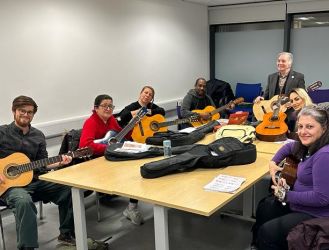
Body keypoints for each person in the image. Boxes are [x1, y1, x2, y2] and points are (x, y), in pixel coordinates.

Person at [0, 96, 75, 250]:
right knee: (23, 201)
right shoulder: (2, 132)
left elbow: (43, 163)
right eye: (22, 111)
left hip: (34, 181)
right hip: (8, 187)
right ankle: (27, 247)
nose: (26, 115)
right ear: (14, 111)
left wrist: (61, 161)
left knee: (68, 188)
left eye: (30, 112)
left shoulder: (38, 135)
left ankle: (67, 234)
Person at [251, 105, 329, 250]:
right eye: (300, 126)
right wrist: (273, 162)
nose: (303, 132)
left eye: (310, 127)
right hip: (299, 204)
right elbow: (288, 147)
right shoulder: (308, 144)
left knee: (268, 232)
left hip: (316, 214)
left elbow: (322, 198)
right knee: (265, 207)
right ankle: (257, 245)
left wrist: (287, 195)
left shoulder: (324, 155)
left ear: (323, 129)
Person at [79, 94, 144, 225]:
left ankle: (131, 208)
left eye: (111, 106)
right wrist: (108, 148)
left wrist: (132, 126)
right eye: (105, 106)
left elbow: (121, 135)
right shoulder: (90, 122)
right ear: (96, 108)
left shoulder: (111, 120)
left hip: (109, 158)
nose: (108, 109)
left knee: (135, 168)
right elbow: (85, 146)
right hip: (94, 162)